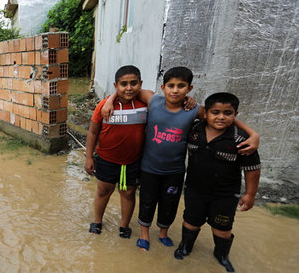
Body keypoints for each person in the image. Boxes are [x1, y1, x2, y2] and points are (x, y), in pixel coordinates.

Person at [101, 66, 259, 251]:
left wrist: (252, 133)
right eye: (171, 86)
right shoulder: (153, 100)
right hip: (149, 168)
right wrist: (109, 101)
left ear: (189, 88)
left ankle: (163, 233)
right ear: (163, 87)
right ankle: (144, 234)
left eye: (181, 86)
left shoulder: (193, 111)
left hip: (174, 170)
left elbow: (219, 114)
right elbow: (127, 90)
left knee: (169, 203)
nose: (175, 90)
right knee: (147, 201)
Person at [174, 93, 261, 272]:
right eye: (215, 112)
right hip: (194, 189)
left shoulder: (241, 139)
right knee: (191, 220)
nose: (221, 117)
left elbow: (252, 168)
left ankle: (221, 255)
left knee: (222, 227)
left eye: (227, 113)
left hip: (225, 194)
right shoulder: (195, 129)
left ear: (235, 114)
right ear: (206, 113)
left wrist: (250, 194)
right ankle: (185, 246)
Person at [85, 65, 148, 238]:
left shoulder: (145, 105)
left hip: (133, 161)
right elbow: (93, 132)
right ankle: (97, 221)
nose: (129, 88)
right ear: (116, 85)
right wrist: (89, 157)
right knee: (103, 190)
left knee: (128, 193)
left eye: (133, 83)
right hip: (106, 159)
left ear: (140, 84)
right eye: (124, 84)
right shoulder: (104, 106)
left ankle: (124, 226)